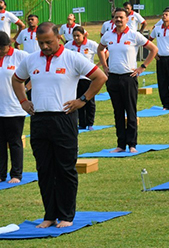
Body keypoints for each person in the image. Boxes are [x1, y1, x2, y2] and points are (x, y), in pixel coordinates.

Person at [12, 22, 107, 228]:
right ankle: (49, 215)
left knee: (65, 169)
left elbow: (100, 77)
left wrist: (82, 99)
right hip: (39, 120)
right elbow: (17, 80)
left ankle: (66, 215)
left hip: (64, 119)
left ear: (58, 38)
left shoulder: (72, 57)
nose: (44, 46)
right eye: (41, 43)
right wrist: (23, 102)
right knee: (44, 169)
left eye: (48, 42)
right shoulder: (31, 60)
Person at [97, 8, 158, 153]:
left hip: (128, 77)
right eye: (116, 17)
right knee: (117, 111)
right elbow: (100, 49)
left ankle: (132, 144)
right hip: (113, 78)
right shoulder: (108, 35)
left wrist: (142, 67)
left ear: (127, 19)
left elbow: (153, 49)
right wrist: (105, 66)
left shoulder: (133, 35)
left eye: (121, 17)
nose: (118, 20)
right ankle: (120, 144)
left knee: (130, 111)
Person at [0, 31, 29, 183]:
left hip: (14, 108)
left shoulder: (21, 56)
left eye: (2, 48)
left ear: (8, 45)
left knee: (14, 142)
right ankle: (1, 174)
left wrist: (26, 89)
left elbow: (34, 74)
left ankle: (16, 174)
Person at [65, 26, 100, 130]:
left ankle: (90, 123)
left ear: (84, 35)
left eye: (78, 36)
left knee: (89, 100)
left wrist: (96, 67)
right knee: (77, 100)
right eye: (74, 36)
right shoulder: (68, 45)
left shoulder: (91, 44)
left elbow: (105, 53)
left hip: (88, 77)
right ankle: (81, 123)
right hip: (74, 78)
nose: (76, 38)